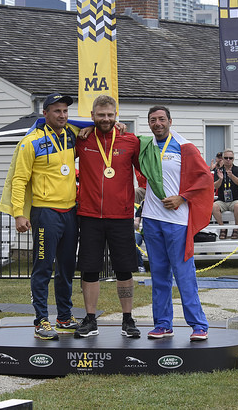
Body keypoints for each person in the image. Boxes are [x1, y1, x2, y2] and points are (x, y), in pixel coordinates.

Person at [0, 93, 81, 340]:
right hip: (45, 212)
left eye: (65, 111)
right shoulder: (30, 142)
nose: (62, 115)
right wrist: (18, 214)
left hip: (70, 210)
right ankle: (41, 320)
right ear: (45, 113)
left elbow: (96, 130)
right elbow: (19, 179)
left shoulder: (72, 134)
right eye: (57, 111)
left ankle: (65, 318)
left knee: (67, 267)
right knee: (43, 266)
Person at [139, 106, 214, 341]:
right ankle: (162, 324)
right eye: (153, 120)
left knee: (184, 275)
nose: (157, 123)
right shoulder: (145, 146)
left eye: (162, 119)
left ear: (170, 121)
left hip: (177, 221)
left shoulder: (185, 146)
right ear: (149, 124)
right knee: (159, 275)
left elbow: (205, 178)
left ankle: (198, 325)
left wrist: (182, 198)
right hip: (151, 219)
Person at [73, 95, 141, 339]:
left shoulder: (130, 140)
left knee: (125, 270)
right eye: (101, 115)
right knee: (89, 270)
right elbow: (48, 123)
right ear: (92, 116)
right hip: (89, 215)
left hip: (121, 215)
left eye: (110, 115)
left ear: (116, 116)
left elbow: (145, 172)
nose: (106, 119)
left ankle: (128, 318)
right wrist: (83, 127)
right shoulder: (82, 138)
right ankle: (90, 318)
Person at [212, 149, 238, 239]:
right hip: (222, 199)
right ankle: (223, 228)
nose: (228, 160)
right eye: (226, 158)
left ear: (233, 159)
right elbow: (215, 185)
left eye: (230, 158)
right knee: (213, 206)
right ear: (222, 159)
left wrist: (231, 176)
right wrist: (221, 179)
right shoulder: (218, 170)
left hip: (235, 199)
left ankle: (236, 229)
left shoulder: (237, 169)